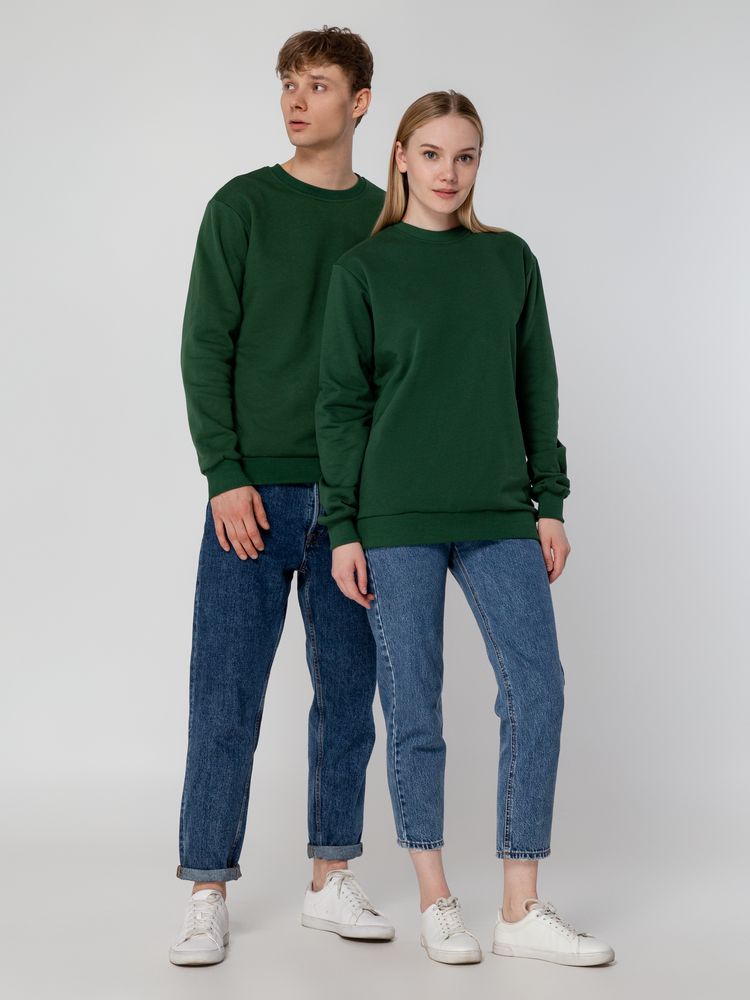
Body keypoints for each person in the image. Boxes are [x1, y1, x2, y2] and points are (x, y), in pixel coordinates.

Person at [315, 90, 615, 967]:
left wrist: (550, 501)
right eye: (433, 153)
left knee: (537, 688)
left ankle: (520, 906)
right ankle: (435, 897)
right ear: (401, 156)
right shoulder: (362, 271)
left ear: (479, 163)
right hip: (395, 515)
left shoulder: (508, 260)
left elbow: (536, 385)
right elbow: (340, 407)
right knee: (414, 704)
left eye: (466, 155)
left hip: (497, 509)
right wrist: (343, 527)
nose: (449, 172)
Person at [170, 26, 395, 967]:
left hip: (353, 504)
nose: (297, 100)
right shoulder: (242, 206)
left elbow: (397, 364)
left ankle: (329, 877)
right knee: (226, 692)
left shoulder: (387, 219)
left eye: (319, 85)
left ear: (361, 102)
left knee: (348, 694)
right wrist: (224, 473)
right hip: (253, 494)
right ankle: (206, 891)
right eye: (289, 84)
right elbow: (204, 344)